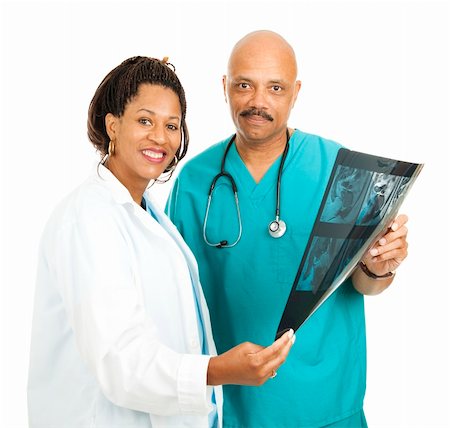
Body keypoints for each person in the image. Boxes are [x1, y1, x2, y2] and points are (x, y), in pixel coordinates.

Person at [27, 56, 295, 428]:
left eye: (172, 125)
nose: (160, 137)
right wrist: (217, 370)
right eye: (145, 120)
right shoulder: (88, 219)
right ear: (113, 125)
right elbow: (121, 361)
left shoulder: (148, 215)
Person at [166, 31, 409, 427]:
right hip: (232, 410)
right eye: (244, 85)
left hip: (327, 406)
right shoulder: (194, 181)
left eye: (275, 88)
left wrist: (379, 266)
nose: (258, 102)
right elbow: (173, 302)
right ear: (224, 87)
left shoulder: (338, 170)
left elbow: (367, 284)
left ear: (295, 92)